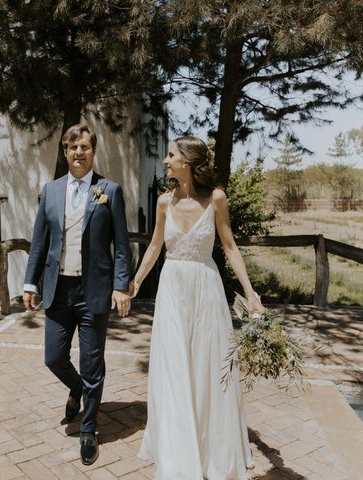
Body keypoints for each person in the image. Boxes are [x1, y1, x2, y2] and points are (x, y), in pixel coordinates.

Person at [131, 136, 262, 479]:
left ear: (186, 162)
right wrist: (135, 282)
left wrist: (250, 293)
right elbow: (155, 246)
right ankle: (178, 450)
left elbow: (230, 247)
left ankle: (210, 450)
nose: (165, 160)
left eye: (171, 155)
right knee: (175, 367)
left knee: (207, 367)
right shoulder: (163, 202)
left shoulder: (216, 198)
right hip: (172, 291)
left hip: (206, 290)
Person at [23, 124, 131, 466]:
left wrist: (120, 285)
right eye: (72, 147)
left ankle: (88, 429)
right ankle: (77, 388)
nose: (78, 152)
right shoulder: (50, 191)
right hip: (58, 289)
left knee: (92, 362)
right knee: (53, 357)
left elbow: (122, 246)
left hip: (94, 290)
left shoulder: (109, 191)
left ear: (92, 151)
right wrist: (29, 282)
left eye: (84, 146)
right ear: (65, 152)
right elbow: (40, 240)